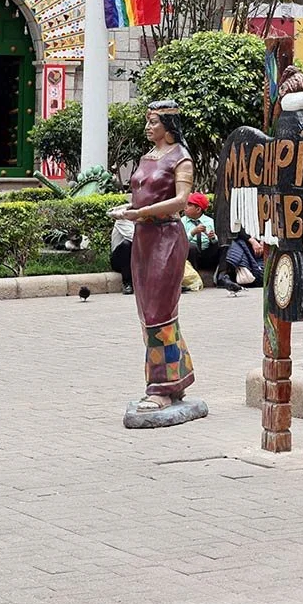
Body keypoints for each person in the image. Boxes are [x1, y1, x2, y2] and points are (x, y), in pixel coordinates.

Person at [111, 100, 198, 415]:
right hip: (143, 238)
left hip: (166, 237)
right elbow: (140, 195)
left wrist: (141, 212)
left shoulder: (181, 158)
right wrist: (130, 210)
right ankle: (177, 378)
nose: (148, 127)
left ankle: (160, 388)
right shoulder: (147, 157)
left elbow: (181, 201)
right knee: (148, 313)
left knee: (158, 314)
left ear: (168, 125)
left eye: (154, 122)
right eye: (147, 121)